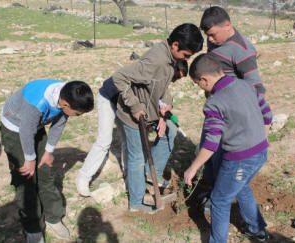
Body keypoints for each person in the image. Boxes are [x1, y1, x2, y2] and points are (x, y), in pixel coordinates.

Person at [113, 23, 204, 214]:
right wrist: (135, 106)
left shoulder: (169, 58)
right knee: (136, 157)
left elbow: (160, 87)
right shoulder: (155, 60)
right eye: (186, 55)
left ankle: (149, 171)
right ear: (175, 45)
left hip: (151, 111)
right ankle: (137, 202)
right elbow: (120, 77)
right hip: (133, 116)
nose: (186, 59)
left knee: (170, 130)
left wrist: (166, 104)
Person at [184, 54, 272, 243]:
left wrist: (192, 168)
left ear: (204, 79)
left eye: (198, 84)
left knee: (219, 200)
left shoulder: (214, 103)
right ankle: (258, 230)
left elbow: (210, 144)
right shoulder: (246, 85)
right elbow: (267, 114)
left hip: (240, 160)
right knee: (240, 187)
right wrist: (259, 140)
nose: (200, 89)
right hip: (261, 152)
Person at [75, 61, 189, 197]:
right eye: (175, 77)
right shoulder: (149, 73)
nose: (174, 81)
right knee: (104, 140)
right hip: (110, 98)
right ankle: (83, 177)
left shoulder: (161, 78)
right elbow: (137, 96)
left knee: (129, 140)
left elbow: (164, 97)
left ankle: (130, 176)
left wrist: (166, 109)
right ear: (170, 70)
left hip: (128, 103)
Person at [0, 79, 94, 243]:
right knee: (26, 179)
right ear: (65, 104)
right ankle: (33, 228)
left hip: (35, 126)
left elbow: (58, 125)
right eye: (78, 113)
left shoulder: (68, 94)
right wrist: (29, 159)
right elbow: (25, 130)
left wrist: (48, 151)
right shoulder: (37, 101)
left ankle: (53, 217)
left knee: (45, 172)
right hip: (16, 127)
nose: (78, 116)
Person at [198, 6, 267, 212]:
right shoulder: (216, 42)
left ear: (227, 25)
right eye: (207, 36)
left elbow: (256, 89)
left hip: (232, 118)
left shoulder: (242, 50)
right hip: (215, 110)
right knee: (208, 157)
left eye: (212, 35)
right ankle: (213, 192)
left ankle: (219, 201)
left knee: (222, 162)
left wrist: (260, 126)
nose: (209, 40)